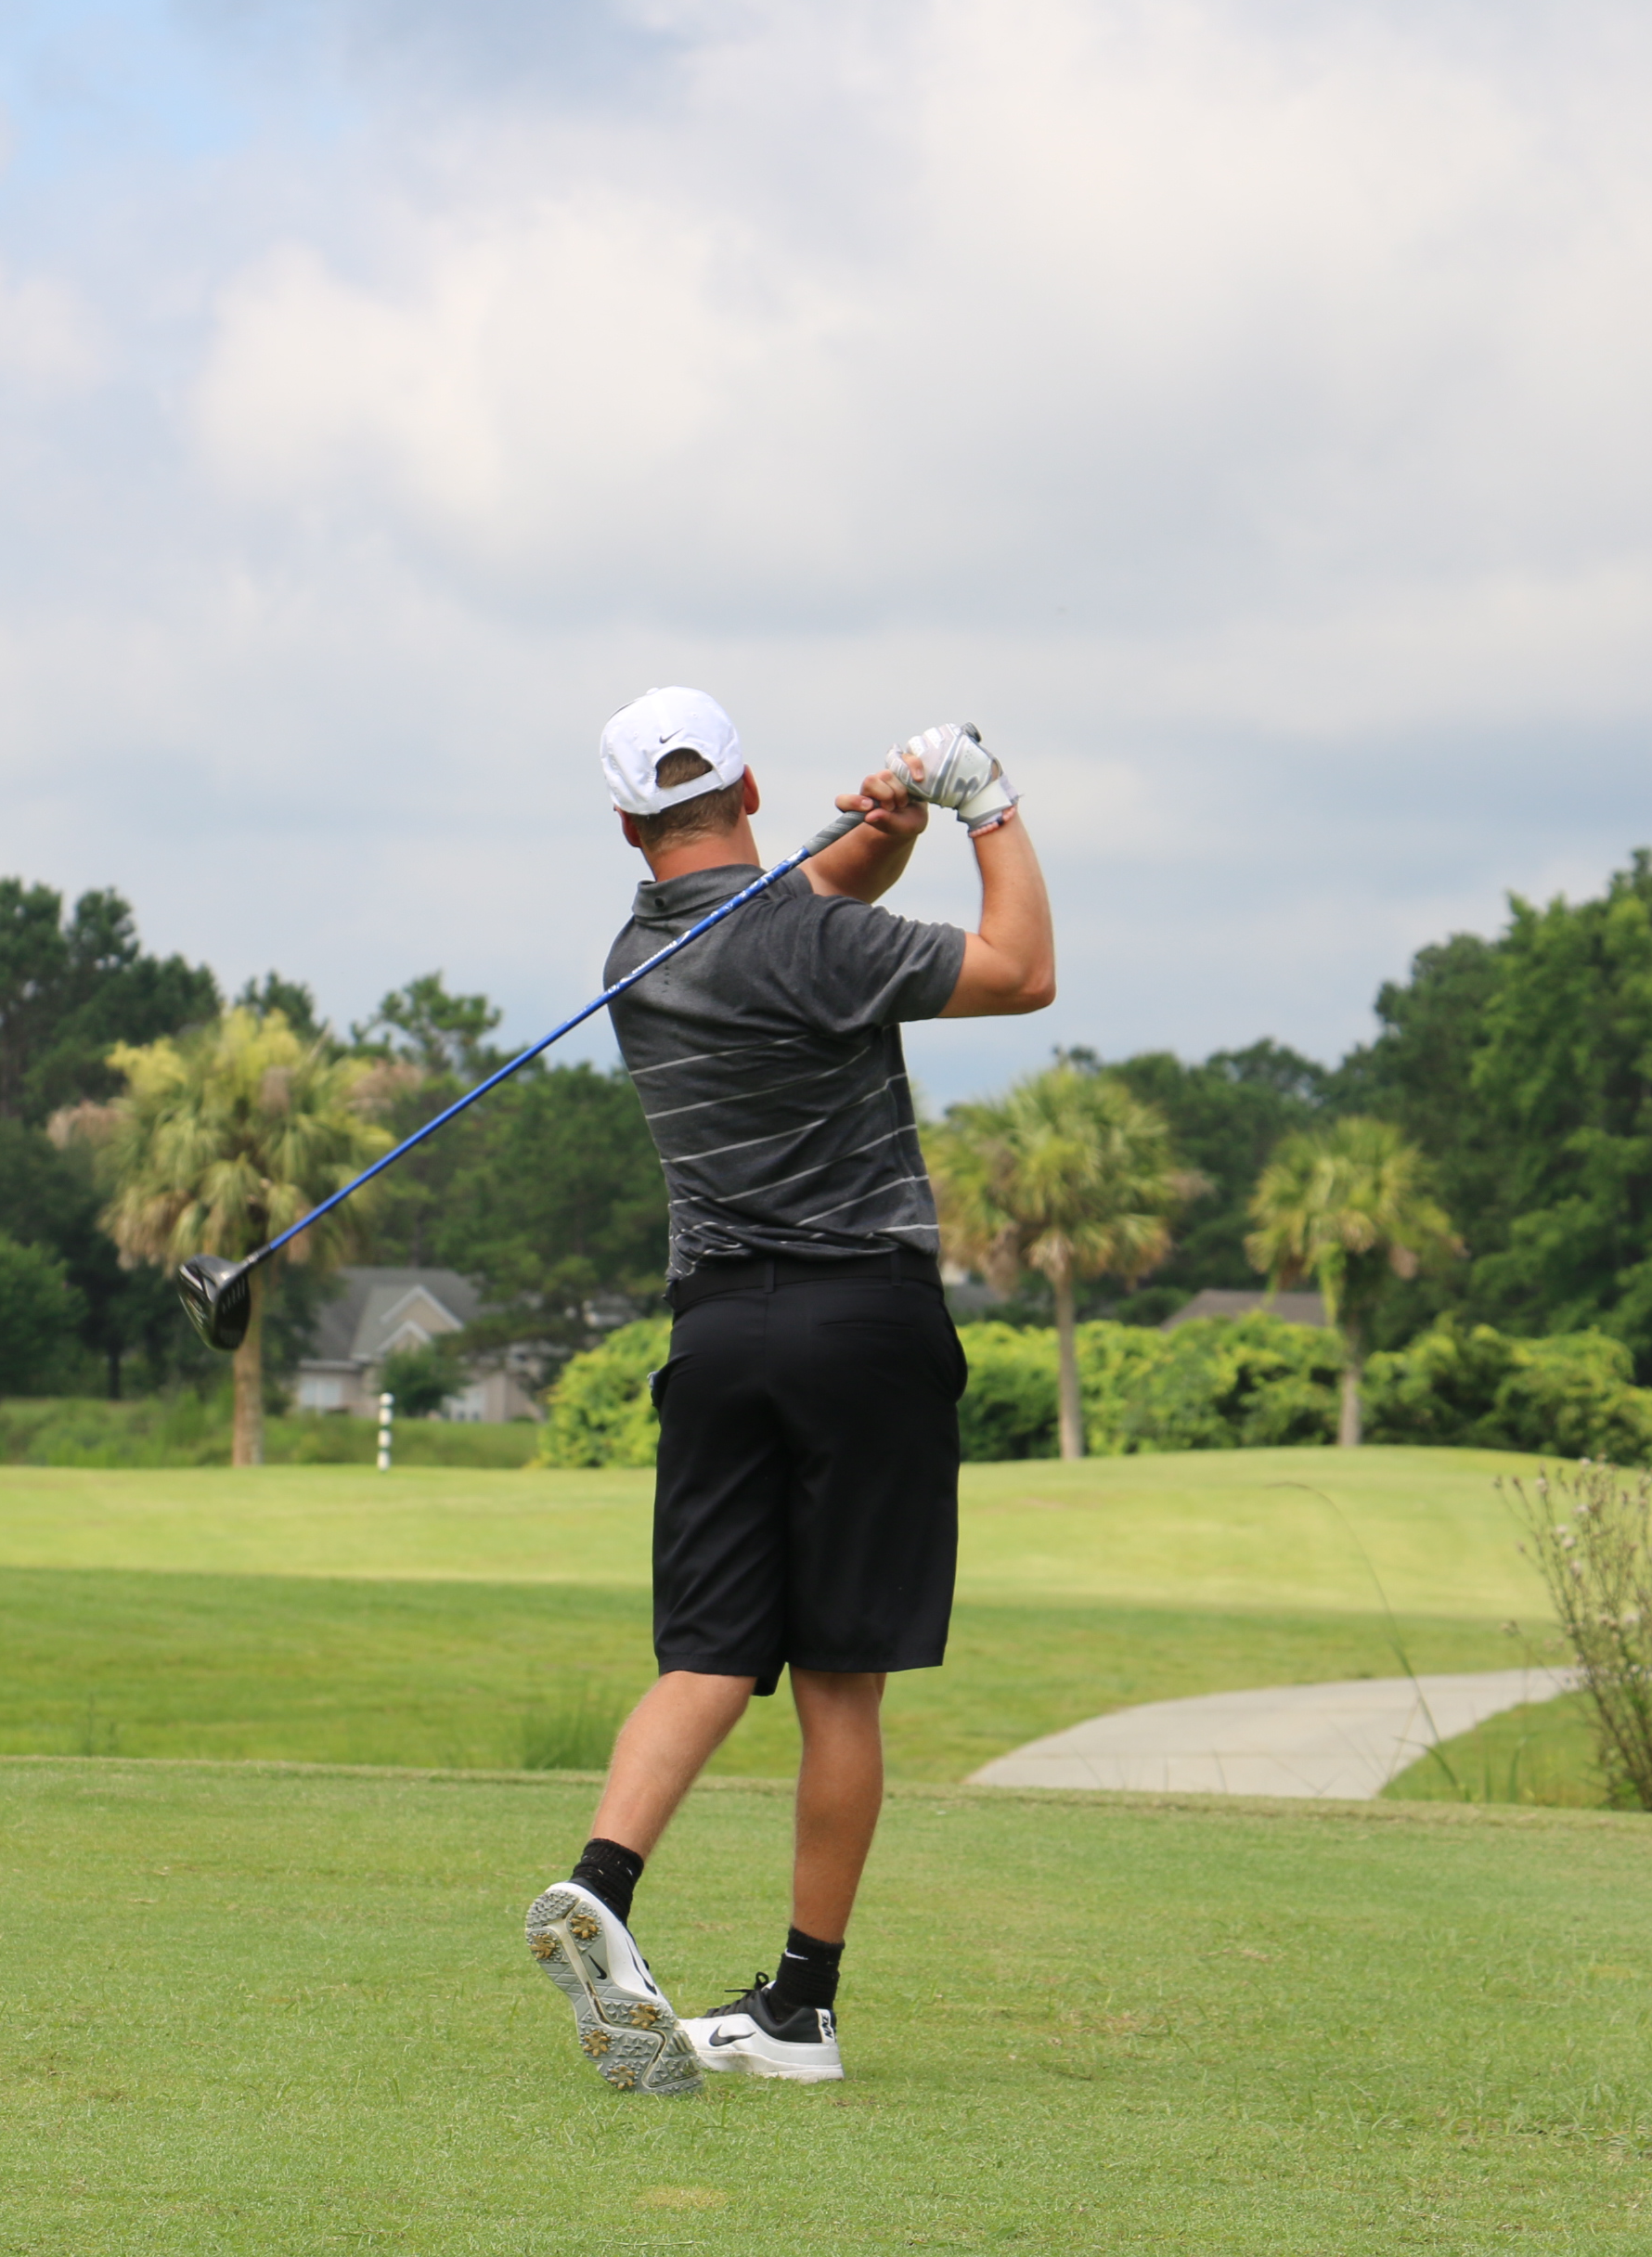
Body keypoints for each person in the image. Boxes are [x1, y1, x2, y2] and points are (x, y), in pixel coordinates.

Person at [522, 685, 1053, 2095]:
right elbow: (1020, 972)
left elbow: (800, 905)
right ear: (752, 790)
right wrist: (985, 804)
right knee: (840, 1686)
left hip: (717, 1338)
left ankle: (602, 1884)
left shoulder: (637, 960)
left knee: (704, 1657)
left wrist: (893, 828)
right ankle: (800, 2010)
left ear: (628, 827)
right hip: (863, 1324)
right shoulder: (818, 941)